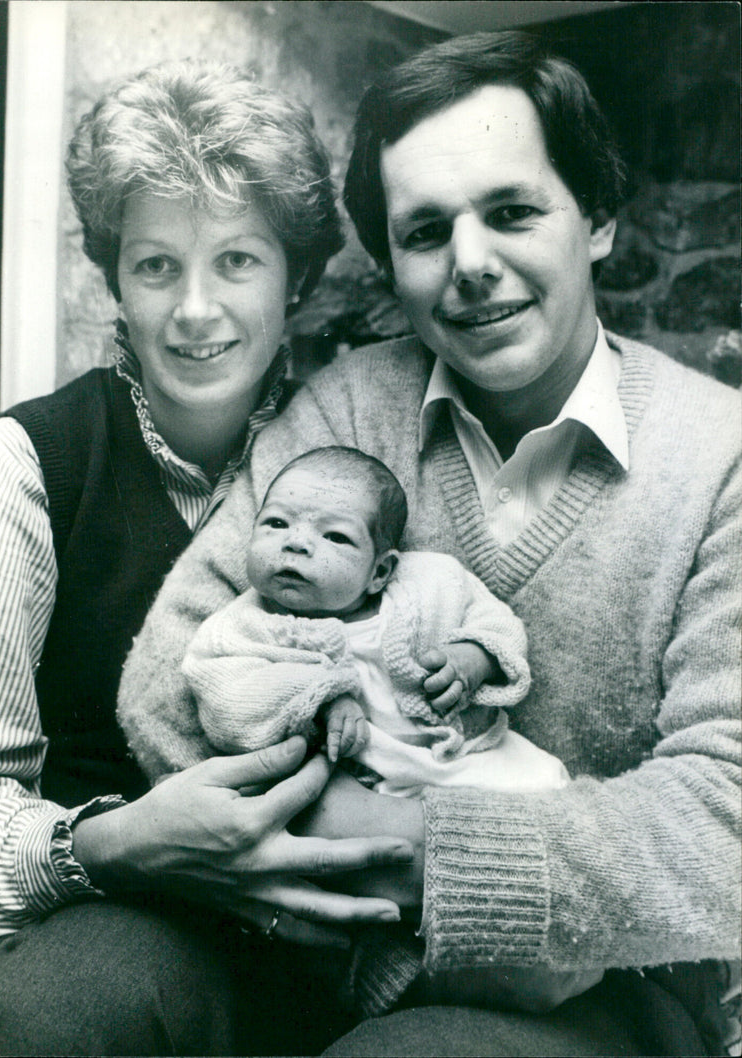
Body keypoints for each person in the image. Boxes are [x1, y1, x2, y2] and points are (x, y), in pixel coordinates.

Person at [117, 31, 741, 1058]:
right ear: (391, 262)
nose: (469, 264)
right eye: (424, 231)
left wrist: (423, 852)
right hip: (286, 928)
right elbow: (166, 678)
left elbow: (720, 820)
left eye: (509, 211)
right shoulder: (351, 406)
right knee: (70, 1001)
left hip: (594, 987)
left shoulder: (718, 457)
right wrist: (337, 854)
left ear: (595, 220)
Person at [0, 60, 420, 1058]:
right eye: (156, 264)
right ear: (112, 275)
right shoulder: (16, 472)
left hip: (360, 936)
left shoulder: (377, 442)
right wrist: (109, 842)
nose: (195, 309)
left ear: (299, 278)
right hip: (132, 937)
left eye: (237, 260)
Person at [132, 445, 570, 802]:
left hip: (467, 753)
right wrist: (320, 704)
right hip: (359, 788)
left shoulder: (432, 582)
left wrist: (474, 657)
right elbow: (226, 702)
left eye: (335, 536)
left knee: (545, 783)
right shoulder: (241, 627)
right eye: (276, 523)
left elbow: (499, 622)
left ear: (379, 572)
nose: (296, 543)